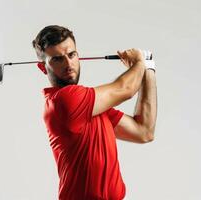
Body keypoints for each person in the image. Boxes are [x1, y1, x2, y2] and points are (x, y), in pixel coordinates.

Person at [32, 25, 157, 200]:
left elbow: (144, 131)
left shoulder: (92, 106)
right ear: (43, 67)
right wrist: (139, 63)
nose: (68, 64)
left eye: (72, 55)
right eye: (58, 59)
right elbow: (126, 88)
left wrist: (149, 68)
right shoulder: (64, 100)